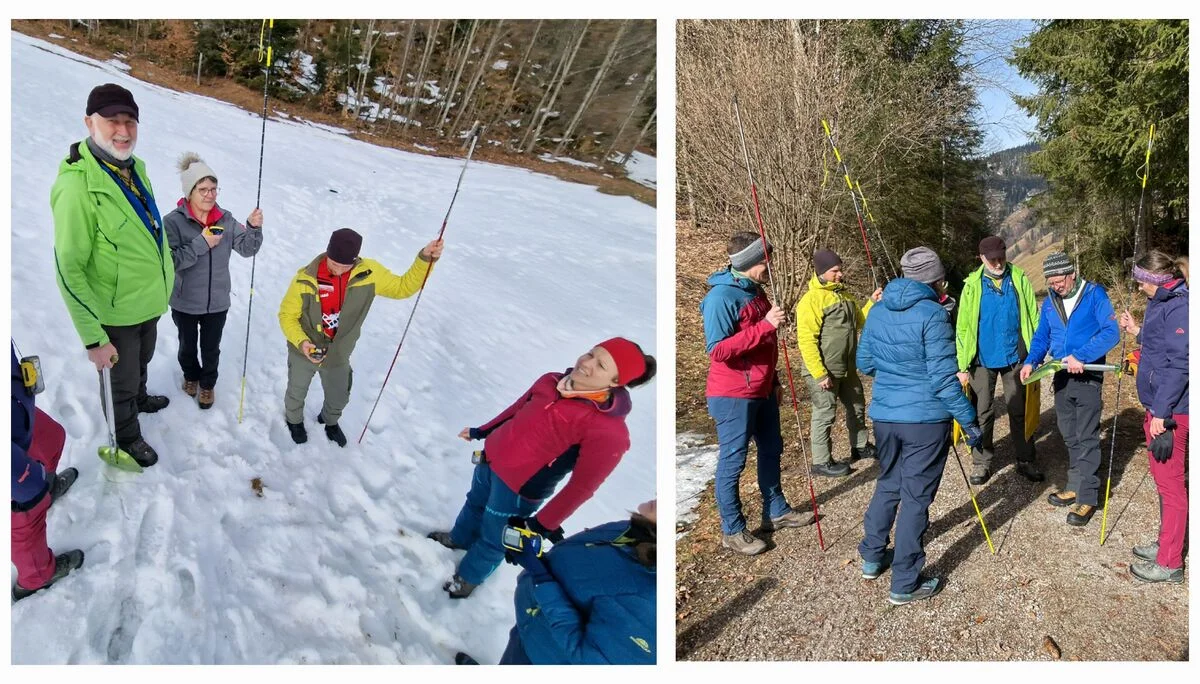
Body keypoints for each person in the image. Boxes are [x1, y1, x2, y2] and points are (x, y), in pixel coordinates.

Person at [430, 338, 656, 599]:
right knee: (474, 504)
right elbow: (516, 409)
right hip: (490, 460)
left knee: (496, 539)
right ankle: (459, 538)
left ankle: (467, 579)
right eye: (591, 353)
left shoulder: (607, 431)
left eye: (601, 364)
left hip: (518, 488)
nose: (587, 363)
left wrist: (541, 524)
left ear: (615, 382)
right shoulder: (550, 381)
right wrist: (483, 431)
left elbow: (581, 488)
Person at [51, 83, 174, 468]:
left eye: (130, 121)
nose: (123, 131)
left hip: (148, 302)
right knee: (119, 382)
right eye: (112, 121)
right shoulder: (77, 186)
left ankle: (138, 397)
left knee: (142, 362)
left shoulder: (136, 168)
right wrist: (93, 339)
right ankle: (126, 436)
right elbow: (68, 268)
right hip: (115, 313)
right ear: (90, 123)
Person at [856, 247, 982, 606]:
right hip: (924, 422)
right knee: (915, 498)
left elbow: (864, 362)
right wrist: (969, 421)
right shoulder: (933, 313)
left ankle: (871, 556)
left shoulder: (878, 310)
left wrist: (897, 378)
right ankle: (905, 582)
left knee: (888, 484)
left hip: (885, 417)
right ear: (935, 279)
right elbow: (944, 381)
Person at [700, 232, 816, 557]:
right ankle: (733, 530)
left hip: (763, 388)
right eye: (766, 259)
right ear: (752, 262)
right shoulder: (721, 298)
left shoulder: (755, 291)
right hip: (733, 393)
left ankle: (776, 511)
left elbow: (765, 346)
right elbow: (718, 350)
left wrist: (775, 381)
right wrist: (765, 325)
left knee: (771, 449)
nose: (771, 265)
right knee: (733, 461)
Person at [277, 228, 442, 446]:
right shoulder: (305, 278)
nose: (338, 270)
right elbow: (287, 315)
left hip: (338, 354)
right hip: (304, 350)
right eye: (334, 264)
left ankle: (330, 421)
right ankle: (294, 421)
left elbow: (403, 287)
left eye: (345, 266)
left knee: (339, 396)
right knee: (296, 391)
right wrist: (302, 342)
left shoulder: (369, 274)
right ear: (327, 253)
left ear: (355, 260)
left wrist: (424, 259)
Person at [489, 499, 656, 664]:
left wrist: (541, 577)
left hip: (544, 656)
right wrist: (551, 548)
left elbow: (587, 658)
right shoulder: (638, 528)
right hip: (534, 623)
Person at [1020, 252, 1120, 526]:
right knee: (1069, 434)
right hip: (1061, 376)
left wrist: (1083, 356)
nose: (1056, 286)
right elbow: (1042, 336)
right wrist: (1031, 361)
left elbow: (1111, 333)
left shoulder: (1095, 295)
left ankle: (1087, 497)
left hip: (1087, 376)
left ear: (1072, 273)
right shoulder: (1051, 302)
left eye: (1059, 280)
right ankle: (1075, 484)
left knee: (1086, 436)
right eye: (1051, 282)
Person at [164, 153, 264, 409]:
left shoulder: (226, 219)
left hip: (217, 301)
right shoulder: (173, 222)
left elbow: (247, 249)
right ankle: (190, 377)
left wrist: (253, 228)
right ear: (190, 192)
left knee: (211, 349)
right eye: (203, 189)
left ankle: (207, 385)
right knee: (187, 347)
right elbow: (170, 261)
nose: (210, 194)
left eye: (213, 189)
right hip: (185, 300)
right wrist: (202, 243)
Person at [1118, 251, 1188, 583]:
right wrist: (1137, 330)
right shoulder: (1161, 301)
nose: (1137, 285)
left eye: (1140, 279)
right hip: (1158, 408)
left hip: (1173, 413)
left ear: (1154, 279)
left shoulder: (1180, 305)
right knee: (1163, 484)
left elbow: (1180, 364)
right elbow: (1158, 341)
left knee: (1171, 487)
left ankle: (1170, 562)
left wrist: (1162, 413)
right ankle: (1164, 545)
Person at [955, 236, 1043, 485]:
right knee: (982, 412)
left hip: (1016, 357)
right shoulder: (972, 285)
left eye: (1000, 257)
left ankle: (1025, 459)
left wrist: (1036, 353)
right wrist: (962, 366)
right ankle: (982, 462)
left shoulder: (1019, 278)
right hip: (981, 360)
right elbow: (962, 328)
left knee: (1019, 411)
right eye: (991, 259)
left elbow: (1033, 316)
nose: (997, 263)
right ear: (981, 258)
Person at [795, 248, 881, 477]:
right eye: (835, 271)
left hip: (847, 367)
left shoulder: (844, 295)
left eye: (840, 270)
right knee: (825, 413)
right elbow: (806, 340)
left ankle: (860, 447)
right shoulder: (811, 300)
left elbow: (861, 321)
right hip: (825, 370)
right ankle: (821, 461)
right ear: (822, 271)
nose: (840, 274)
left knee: (857, 406)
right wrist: (819, 373)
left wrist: (872, 302)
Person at [12, 343, 84, 601]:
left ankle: (45, 490)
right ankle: (35, 577)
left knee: (52, 438)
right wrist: (22, 481)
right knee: (21, 518)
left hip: (14, 413)